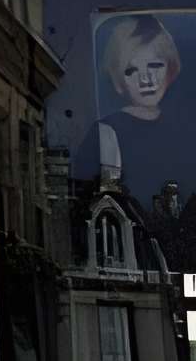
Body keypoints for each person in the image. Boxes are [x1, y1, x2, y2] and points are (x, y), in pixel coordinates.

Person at [82, 15, 191, 237]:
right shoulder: (105, 134)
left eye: (155, 65)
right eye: (131, 70)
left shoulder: (188, 132)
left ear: (170, 69)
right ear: (117, 80)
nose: (146, 79)